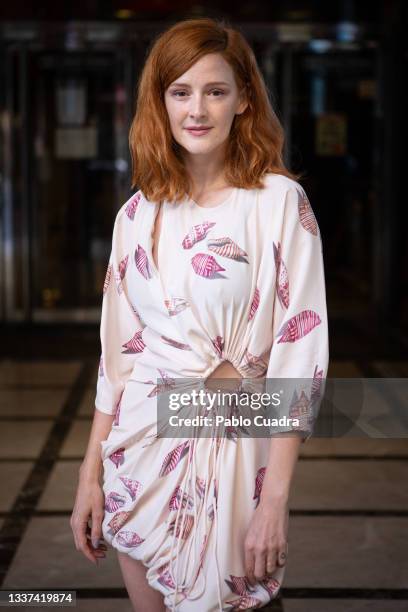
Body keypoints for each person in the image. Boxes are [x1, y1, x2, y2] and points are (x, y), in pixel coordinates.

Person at [71, 17, 329, 612]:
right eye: (180, 92)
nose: (197, 109)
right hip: (139, 455)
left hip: (238, 456)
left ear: (243, 100)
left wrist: (274, 501)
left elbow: (301, 359)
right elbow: (117, 358)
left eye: (215, 91)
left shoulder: (278, 203)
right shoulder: (135, 215)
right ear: (159, 103)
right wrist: (91, 474)